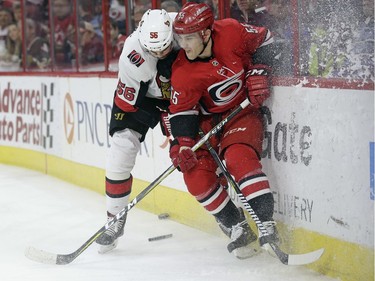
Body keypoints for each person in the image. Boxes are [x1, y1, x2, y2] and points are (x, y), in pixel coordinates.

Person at [168, 2, 280, 259]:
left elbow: (266, 40)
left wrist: (260, 70)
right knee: (194, 176)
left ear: (206, 33)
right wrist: (183, 144)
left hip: (242, 112)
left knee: (238, 157)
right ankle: (236, 226)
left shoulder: (231, 31)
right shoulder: (183, 71)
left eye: (188, 38)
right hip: (207, 124)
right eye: (180, 38)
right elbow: (182, 112)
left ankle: (267, 223)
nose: (183, 45)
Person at [95, 9, 179, 254]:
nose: (159, 53)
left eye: (164, 48)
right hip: (144, 98)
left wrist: (175, 120)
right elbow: (126, 103)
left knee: (195, 153)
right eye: (153, 49)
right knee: (120, 151)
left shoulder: (186, 29)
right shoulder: (132, 53)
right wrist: (163, 114)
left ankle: (231, 219)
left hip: (184, 95)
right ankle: (114, 220)